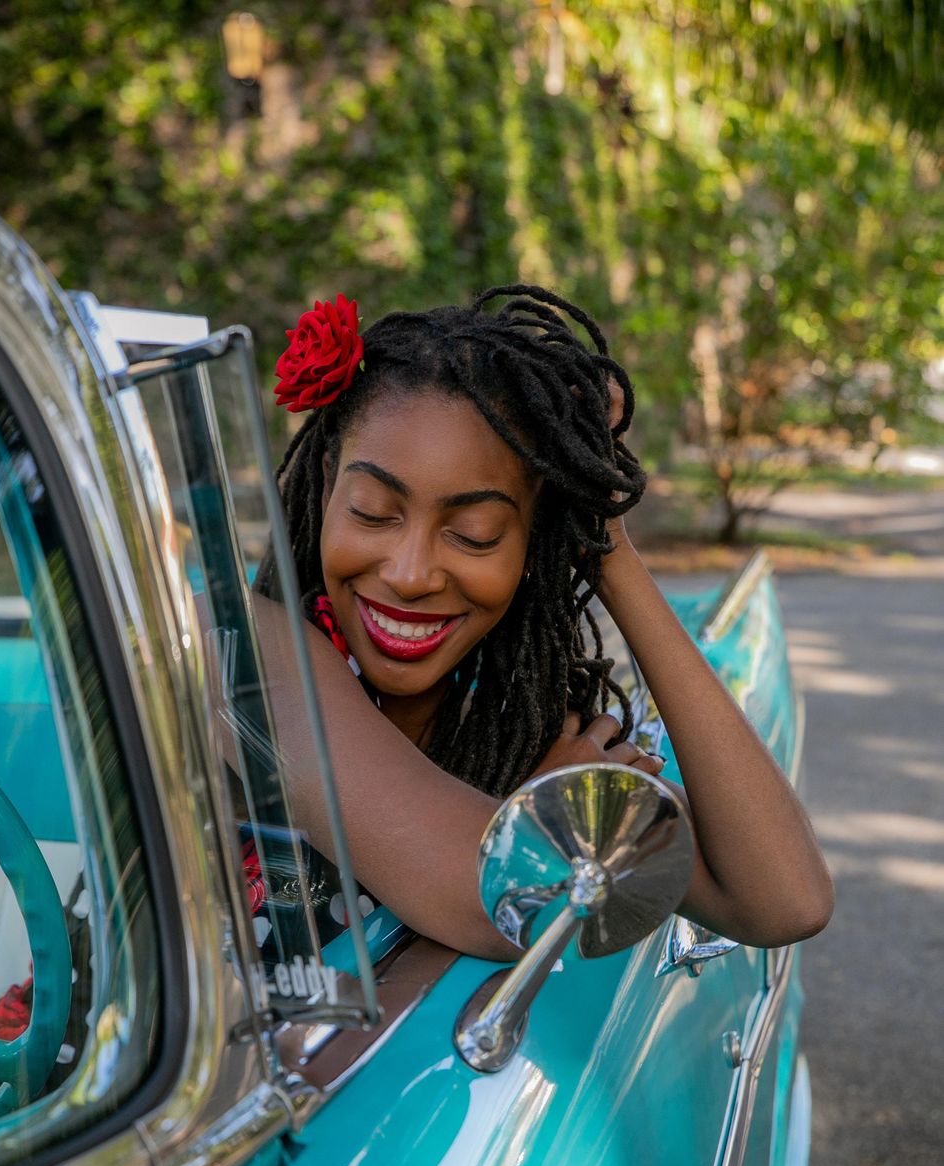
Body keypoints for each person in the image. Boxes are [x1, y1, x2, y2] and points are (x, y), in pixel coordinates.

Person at [245, 285, 833, 961]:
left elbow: (786, 900)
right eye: (374, 512)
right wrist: (532, 814)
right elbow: (477, 893)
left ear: (533, 539)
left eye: (474, 533)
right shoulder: (246, 655)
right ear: (324, 484)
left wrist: (605, 546)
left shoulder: (514, 729)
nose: (409, 573)